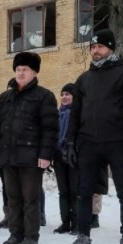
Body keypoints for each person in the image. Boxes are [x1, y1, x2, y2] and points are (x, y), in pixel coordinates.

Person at [63, 29, 123, 244]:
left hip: (118, 143)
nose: (95, 51)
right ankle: (83, 238)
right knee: (83, 192)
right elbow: (75, 113)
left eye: (100, 46)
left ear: (110, 48)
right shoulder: (84, 79)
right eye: (92, 47)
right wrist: (70, 142)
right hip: (88, 143)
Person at [0, 51, 58, 244]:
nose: (21, 73)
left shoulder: (44, 96)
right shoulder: (4, 98)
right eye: (18, 69)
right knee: (13, 198)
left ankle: (31, 236)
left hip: (32, 158)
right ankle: (15, 233)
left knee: (30, 198)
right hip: (7, 156)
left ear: (34, 72)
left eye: (25, 69)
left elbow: (50, 129)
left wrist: (45, 155)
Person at [53, 83, 78, 234]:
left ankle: (76, 223)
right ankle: (65, 222)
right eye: (62, 94)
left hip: (73, 156)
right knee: (63, 191)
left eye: (67, 94)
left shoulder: (78, 114)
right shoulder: (58, 114)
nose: (64, 97)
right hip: (58, 156)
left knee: (75, 191)